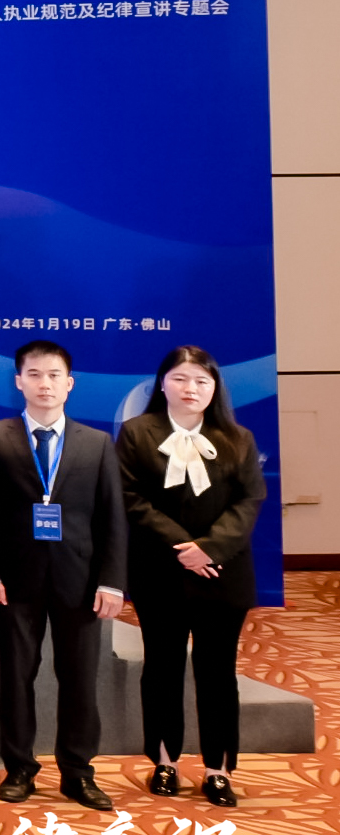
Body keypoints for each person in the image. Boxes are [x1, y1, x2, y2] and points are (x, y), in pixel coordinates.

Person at [0, 338, 128, 810]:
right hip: (14, 582)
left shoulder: (96, 443)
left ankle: (78, 773)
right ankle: (19, 768)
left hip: (79, 583)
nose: (45, 384)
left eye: (54, 375)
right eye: (35, 375)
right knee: (16, 678)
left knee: (80, 680)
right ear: (19, 381)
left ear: (70, 384)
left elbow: (113, 517)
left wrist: (111, 581)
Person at [119, 345, 266, 807]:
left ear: (214, 388)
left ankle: (218, 769)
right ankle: (165, 761)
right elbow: (131, 498)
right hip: (160, 571)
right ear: (162, 383)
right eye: (181, 378)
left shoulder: (238, 438)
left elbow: (249, 500)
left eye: (202, 381)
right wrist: (184, 548)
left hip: (222, 572)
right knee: (162, 667)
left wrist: (210, 549)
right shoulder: (136, 433)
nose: (191, 388)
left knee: (218, 672)